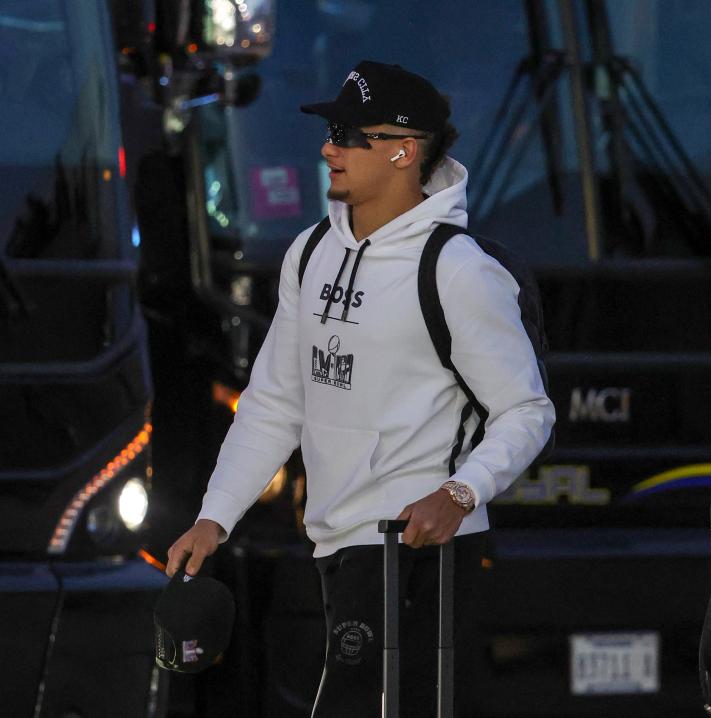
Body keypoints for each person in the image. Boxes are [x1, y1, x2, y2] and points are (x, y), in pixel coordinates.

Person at [165, 60, 556, 716]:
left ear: (405, 151)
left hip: (420, 553)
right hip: (336, 546)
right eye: (330, 132)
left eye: (349, 135)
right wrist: (215, 516)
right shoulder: (310, 251)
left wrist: (460, 494)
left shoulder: (459, 271)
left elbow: (527, 409)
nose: (328, 149)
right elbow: (274, 401)